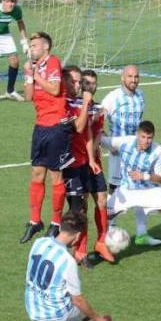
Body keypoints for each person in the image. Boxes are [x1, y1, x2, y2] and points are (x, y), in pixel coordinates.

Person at [101, 120, 161, 265]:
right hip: (126, 190)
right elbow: (101, 139)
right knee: (102, 215)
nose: (146, 141)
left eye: (149, 138)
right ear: (137, 135)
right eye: (143, 137)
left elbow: (160, 178)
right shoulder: (124, 142)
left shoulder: (157, 150)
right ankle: (100, 249)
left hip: (149, 189)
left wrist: (144, 176)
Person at [99, 65, 161, 247]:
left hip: (136, 152)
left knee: (140, 188)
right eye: (129, 76)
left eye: (136, 77)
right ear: (122, 78)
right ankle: (110, 230)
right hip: (118, 152)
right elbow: (97, 122)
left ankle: (142, 234)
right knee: (116, 191)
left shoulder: (141, 96)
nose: (133, 80)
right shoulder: (112, 98)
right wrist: (107, 143)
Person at [20, 32, 72, 243]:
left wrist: (36, 74)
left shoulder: (53, 62)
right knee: (36, 173)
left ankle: (56, 222)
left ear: (45, 47)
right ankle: (35, 221)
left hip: (56, 127)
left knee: (55, 176)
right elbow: (28, 96)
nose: (31, 48)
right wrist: (27, 75)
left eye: (34, 45)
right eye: (30, 46)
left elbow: (55, 88)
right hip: (40, 126)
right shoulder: (34, 68)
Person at [60, 65, 111, 265]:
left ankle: (101, 242)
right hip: (73, 162)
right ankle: (79, 251)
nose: (87, 86)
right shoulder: (70, 104)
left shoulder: (95, 108)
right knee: (80, 208)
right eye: (84, 83)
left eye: (90, 83)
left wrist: (92, 157)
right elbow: (81, 128)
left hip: (91, 161)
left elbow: (93, 133)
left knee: (102, 199)